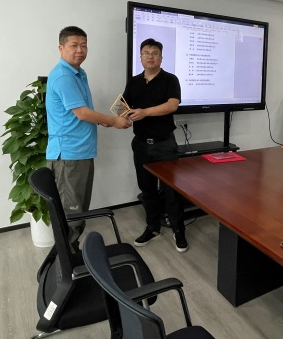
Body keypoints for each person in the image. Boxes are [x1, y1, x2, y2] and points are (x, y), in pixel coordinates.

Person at [46, 26, 131, 251]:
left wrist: (102, 120)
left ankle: (70, 255)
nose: (80, 50)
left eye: (83, 45)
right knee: (72, 214)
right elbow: (82, 113)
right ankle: (66, 260)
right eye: (74, 45)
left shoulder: (78, 73)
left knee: (79, 211)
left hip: (80, 152)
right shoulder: (64, 76)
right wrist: (113, 121)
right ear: (61, 48)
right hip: (69, 155)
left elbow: (81, 113)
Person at [122, 38, 188, 252]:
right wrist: (121, 117)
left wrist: (145, 112)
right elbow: (124, 106)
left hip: (164, 145)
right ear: (140, 57)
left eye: (154, 53)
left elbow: (172, 105)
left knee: (171, 191)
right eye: (146, 53)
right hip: (141, 144)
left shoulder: (170, 79)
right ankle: (153, 228)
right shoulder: (134, 82)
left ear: (161, 57)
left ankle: (179, 230)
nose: (150, 56)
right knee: (147, 189)